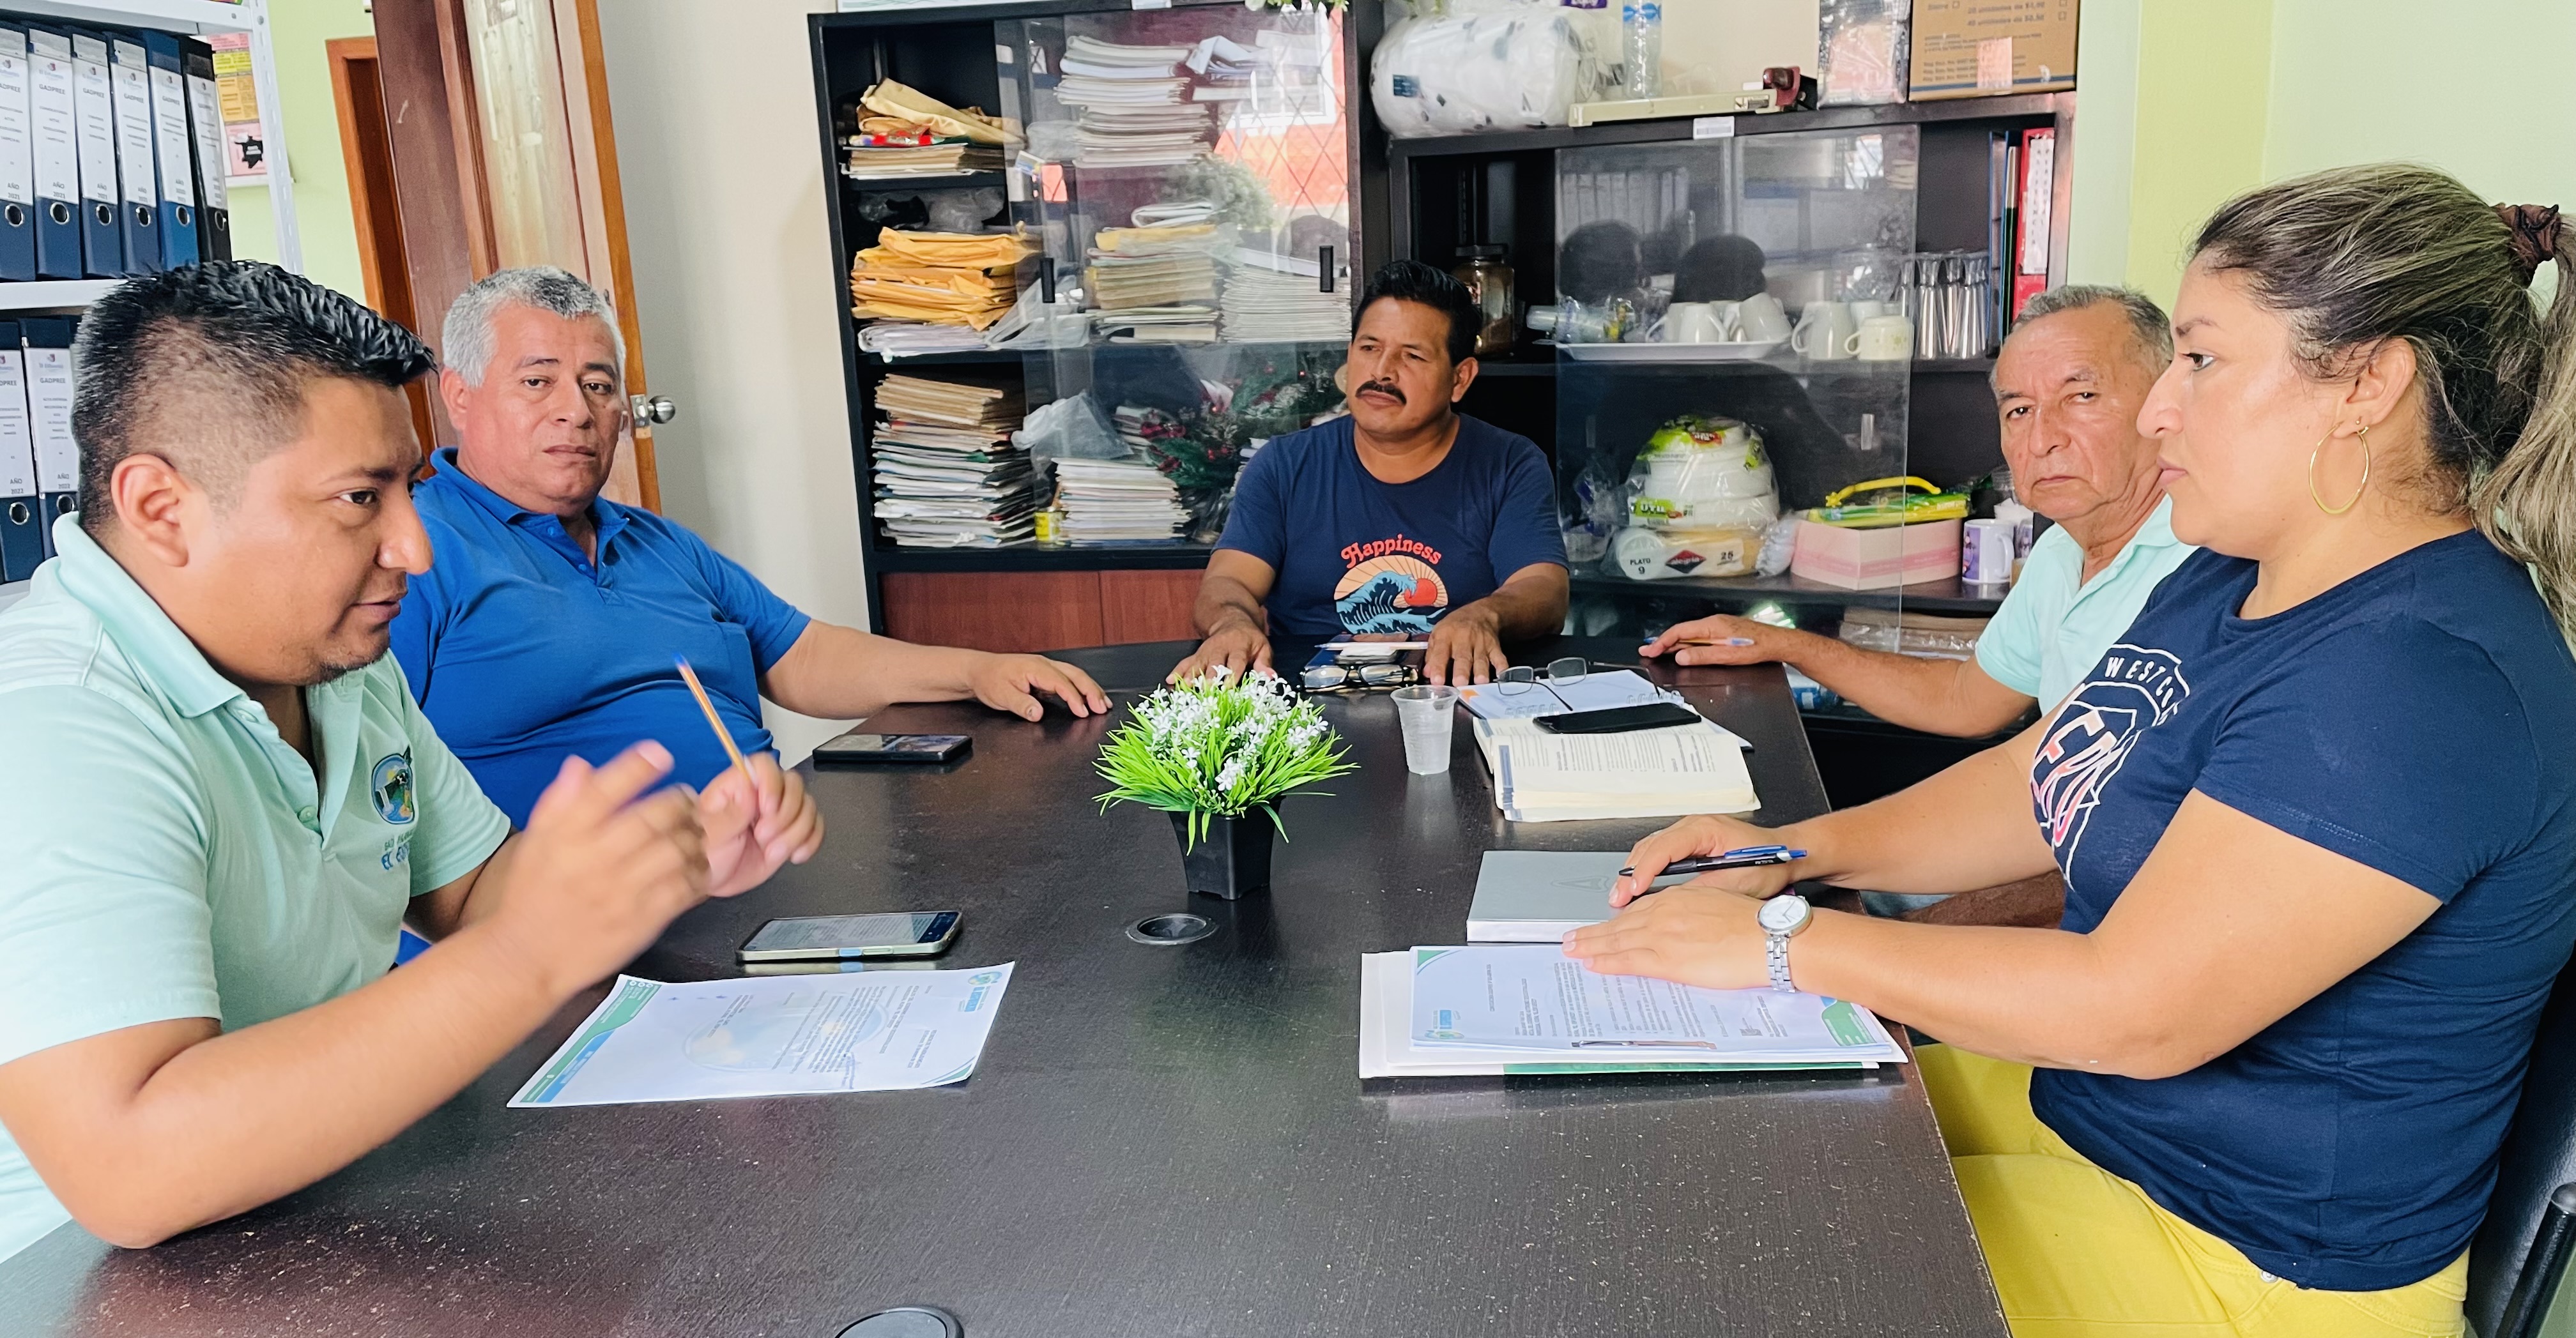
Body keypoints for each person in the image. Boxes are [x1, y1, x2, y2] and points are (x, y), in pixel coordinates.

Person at [1568, 166, 2576, 1338]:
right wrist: (1785, 852)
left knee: (1736, 1285)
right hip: (2111, 1126)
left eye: (2200, 359)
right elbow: (2047, 776)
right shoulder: (2232, 574)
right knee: (1720, 1130)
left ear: (2366, 384)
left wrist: (1784, 940)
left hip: (2259, 1279)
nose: (2159, 409)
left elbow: (2135, 1008)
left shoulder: (2421, 676)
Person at [0, 263, 821, 1263]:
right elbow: (127, 1169)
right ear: (163, 508)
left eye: (408, 491)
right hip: (84, 1298)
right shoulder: (54, 722)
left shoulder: (334, 662)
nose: (414, 549)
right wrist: (526, 958)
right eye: (360, 498)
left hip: (321, 1207)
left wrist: (665, 857)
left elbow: (470, 894)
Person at [394, 267, 1108, 826]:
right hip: (583, 931)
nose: (577, 412)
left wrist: (981, 670)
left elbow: (803, 656)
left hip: (760, 874)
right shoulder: (413, 555)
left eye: (598, 385)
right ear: (460, 396)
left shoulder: (654, 542)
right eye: (537, 381)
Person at [1644, 285, 2196, 738]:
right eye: (2020, 410)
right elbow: (1964, 699)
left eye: (2082, 397)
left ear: (2167, 403)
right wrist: (1780, 643)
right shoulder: (2060, 552)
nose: (2042, 439)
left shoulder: (2201, 565)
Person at [1171, 259, 1568, 685]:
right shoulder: (1283, 466)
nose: (1381, 371)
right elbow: (1229, 581)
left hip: (1451, 690)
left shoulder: (1509, 464)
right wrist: (1231, 622)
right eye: (1369, 348)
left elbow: (1544, 589)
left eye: (1412, 355)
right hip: (1307, 697)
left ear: (1459, 379)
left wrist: (1485, 615)